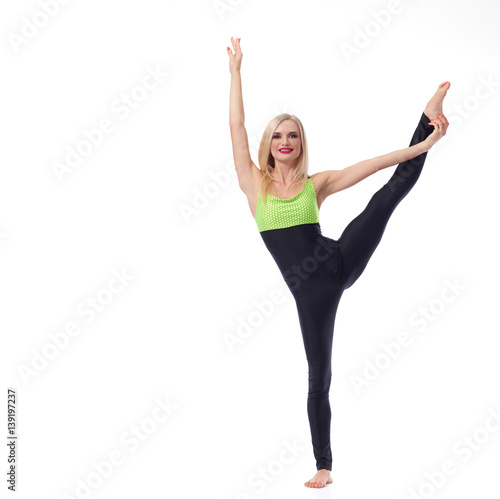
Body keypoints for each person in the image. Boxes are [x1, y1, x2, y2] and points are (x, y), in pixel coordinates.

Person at [227, 36, 449, 488]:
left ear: (299, 143)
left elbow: (372, 164)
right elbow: (237, 128)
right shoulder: (254, 185)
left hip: (340, 260)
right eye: (278, 135)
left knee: (388, 194)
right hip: (312, 295)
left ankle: (427, 115)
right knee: (318, 376)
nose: (285, 141)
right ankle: (323, 466)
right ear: (268, 144)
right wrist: (235, 75)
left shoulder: (316, 183)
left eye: (293, 135)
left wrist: (421, 146)